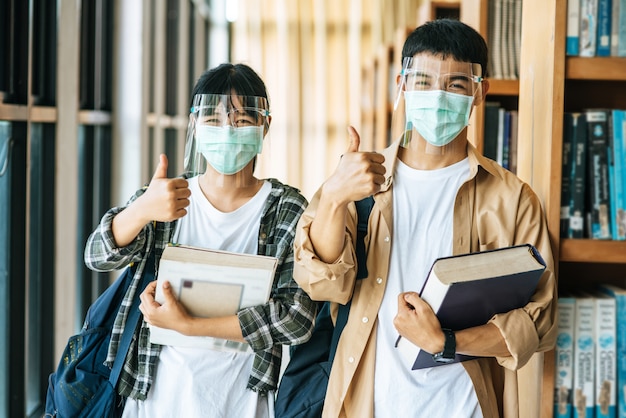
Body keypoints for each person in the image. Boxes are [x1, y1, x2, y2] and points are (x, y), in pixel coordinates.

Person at [292, 19, 557, 418]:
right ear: (400, 86)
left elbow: (539, 321)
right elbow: (321, 282)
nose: (437, 95)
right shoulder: (358, 179)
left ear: (479, 93)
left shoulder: (512, 198)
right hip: (368, 402)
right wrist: (333, 198)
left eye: (455, 84)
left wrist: (446, 342)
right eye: (422, 81)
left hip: (464, 406)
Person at [84, 63, 316, 418]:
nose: (227, 130)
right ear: (194, 124)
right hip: (155, 397)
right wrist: (142, 209)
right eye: (213, 119)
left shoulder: (286, 208)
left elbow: (296, 319)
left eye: (241, 120)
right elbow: (97, 257)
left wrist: (189, 326)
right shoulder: (166, 197)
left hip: (242, 401)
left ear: (265, 126)